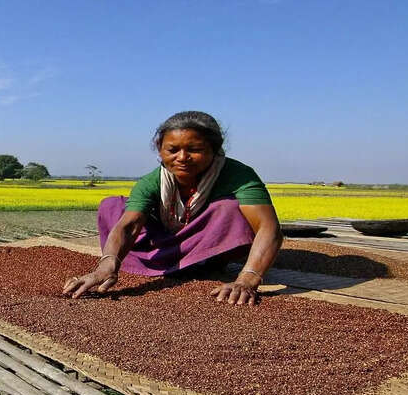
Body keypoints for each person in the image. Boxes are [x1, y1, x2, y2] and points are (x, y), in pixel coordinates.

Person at [62, 111, 282, 305]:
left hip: (207, 244)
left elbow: (268, 227)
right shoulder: (152, 181)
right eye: (173, 150)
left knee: (229, 209)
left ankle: (203, 261)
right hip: (162, 243)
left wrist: (247, 279)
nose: (182, 158)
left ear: (215, 150)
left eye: (194, 149)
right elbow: (130, 225)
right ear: (160, 149)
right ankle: (183, 264)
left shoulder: (239, 175)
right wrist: (106, 266)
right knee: (112, 205)